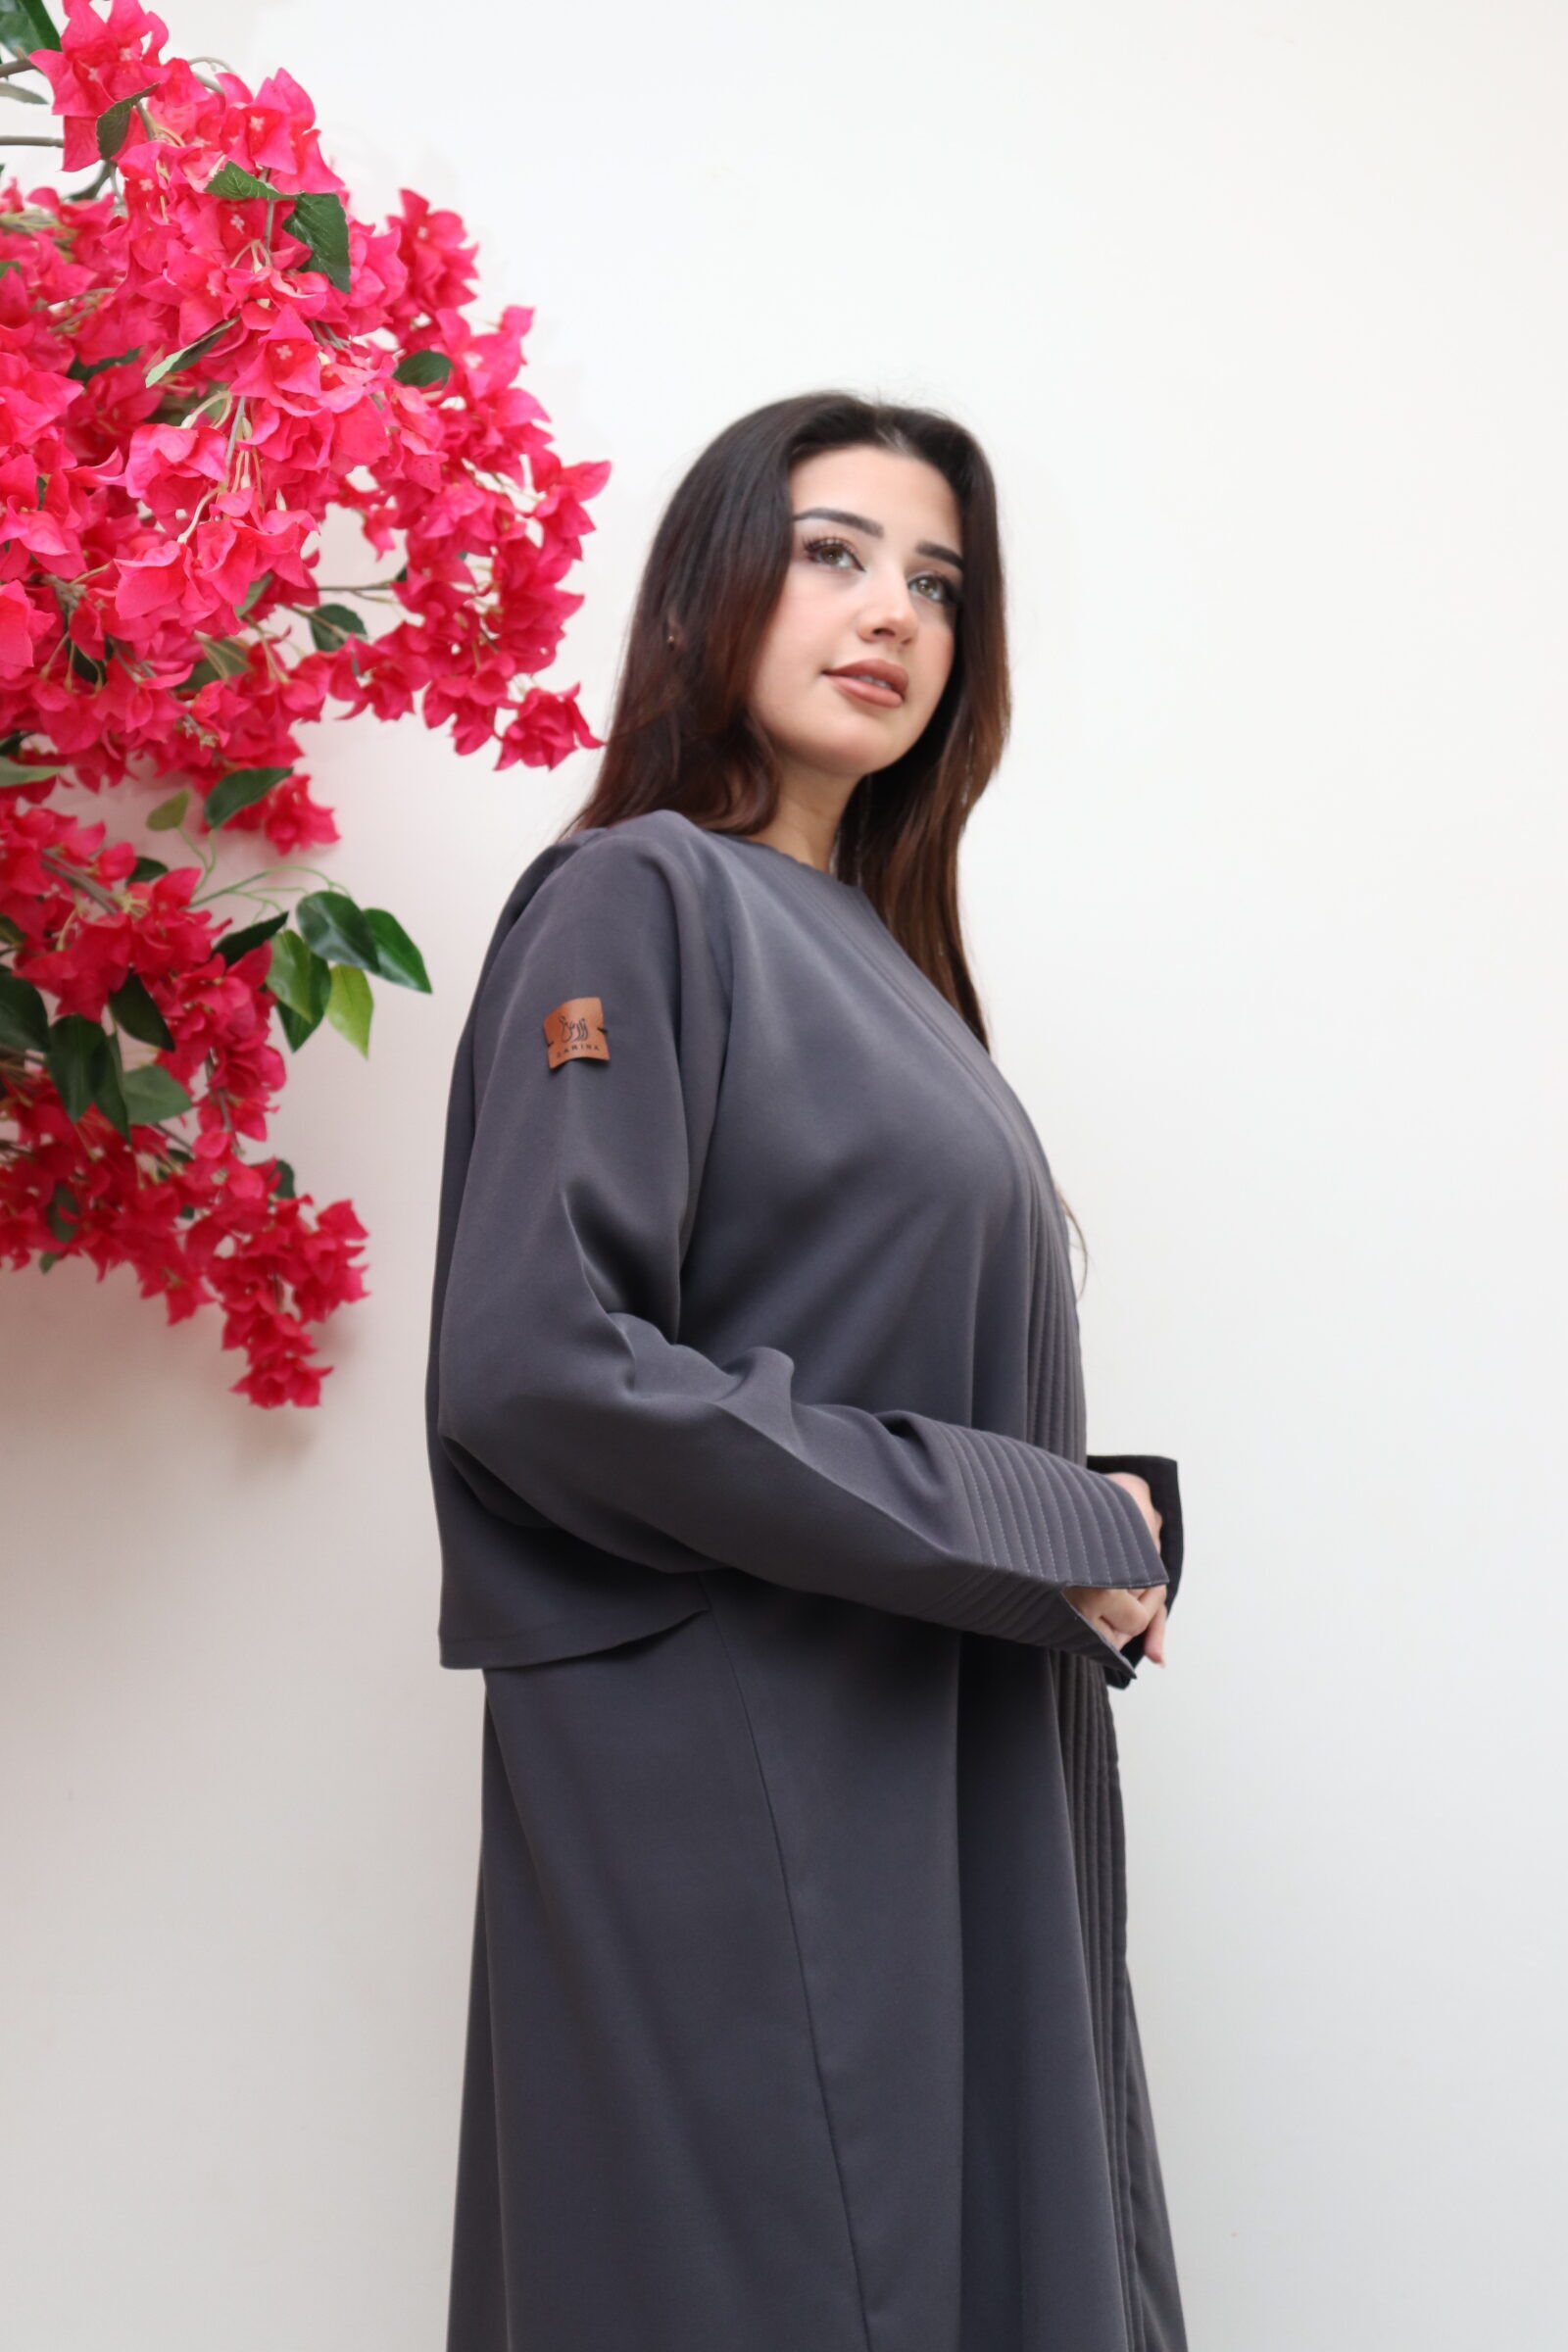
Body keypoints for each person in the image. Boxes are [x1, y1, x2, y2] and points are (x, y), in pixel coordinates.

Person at [425, 389, 1188, 2352]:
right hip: (751, 1782)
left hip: (920, 1755)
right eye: (835, 553)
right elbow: (539, 1364)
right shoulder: (640, 893)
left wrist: (1071, 1522)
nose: (893, 613)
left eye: (938, 581)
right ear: (712, 589)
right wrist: (1038, 1521)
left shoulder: (883, 961)